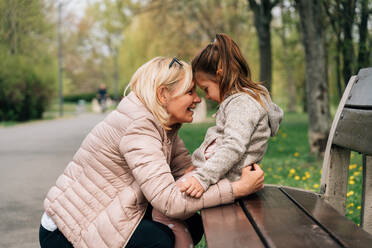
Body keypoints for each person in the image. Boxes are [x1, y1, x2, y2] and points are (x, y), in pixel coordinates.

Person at [39, 57, 264, 248]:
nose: (198, 99)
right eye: (189, 92)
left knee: (193, 224)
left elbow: (184, 170)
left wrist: (218, 166)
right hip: (68, 230)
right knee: (158, 240)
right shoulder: (139, 127)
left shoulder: (163, 124)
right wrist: (237, 188)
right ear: (163, 94)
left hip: (111, 211)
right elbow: (169, 201)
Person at [177, 33, 283, 198]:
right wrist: (198, 168)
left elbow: (233, 146)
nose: (206, 96)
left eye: (205, 88)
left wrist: (202, 178)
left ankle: (182, 226)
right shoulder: (241, 101)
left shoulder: (242, 104)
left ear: (220, 75)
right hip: (216, 175)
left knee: (169, 203)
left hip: (225, 180)